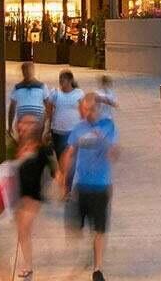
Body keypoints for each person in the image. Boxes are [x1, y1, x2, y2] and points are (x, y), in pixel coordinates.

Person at [58, 93, 117, 281]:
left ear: (97, 107)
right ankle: (88, 254)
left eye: (91, 109)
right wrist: (62, 179)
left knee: (99, 229)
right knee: (76, 229)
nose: (88, 113)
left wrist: (105, 142)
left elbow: (115, 154)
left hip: (101, 185)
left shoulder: (108, 125)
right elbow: (69, 153)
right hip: (81, 185)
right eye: (85, 109)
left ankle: (97, 269)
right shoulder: (78, 128)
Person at [12, 115, 56, 280]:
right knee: (23, 232)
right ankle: (27, 263)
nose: (24, 126)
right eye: (23, 123)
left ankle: (28, 266)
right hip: (19, 196)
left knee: (24, 229)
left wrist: (61, 184)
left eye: (29, 123)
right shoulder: (18, 146)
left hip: (33, 197)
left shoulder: (41, 149)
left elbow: (54, 170)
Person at [45, 70, 85, 160]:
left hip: (73, 131)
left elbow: (83, 112)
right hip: (58, 130)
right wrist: (47, 129)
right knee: (61, 157)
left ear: (70, 80)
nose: (61, 82)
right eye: (60, 80)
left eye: (63, 80)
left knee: (72, 158)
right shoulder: (55, 93)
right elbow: (49, 112)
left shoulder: (79, 93)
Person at [7, 62, 48, 132]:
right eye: (25, 71)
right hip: (22, 125)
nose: (28, 73)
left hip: (37, 124)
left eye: (29, 70)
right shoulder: (17, 88)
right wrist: (10, 126)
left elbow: (48, 106)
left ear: (33, 71)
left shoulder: (42, 87)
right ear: (22, 72)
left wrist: (48, 126)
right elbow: (12, 108)